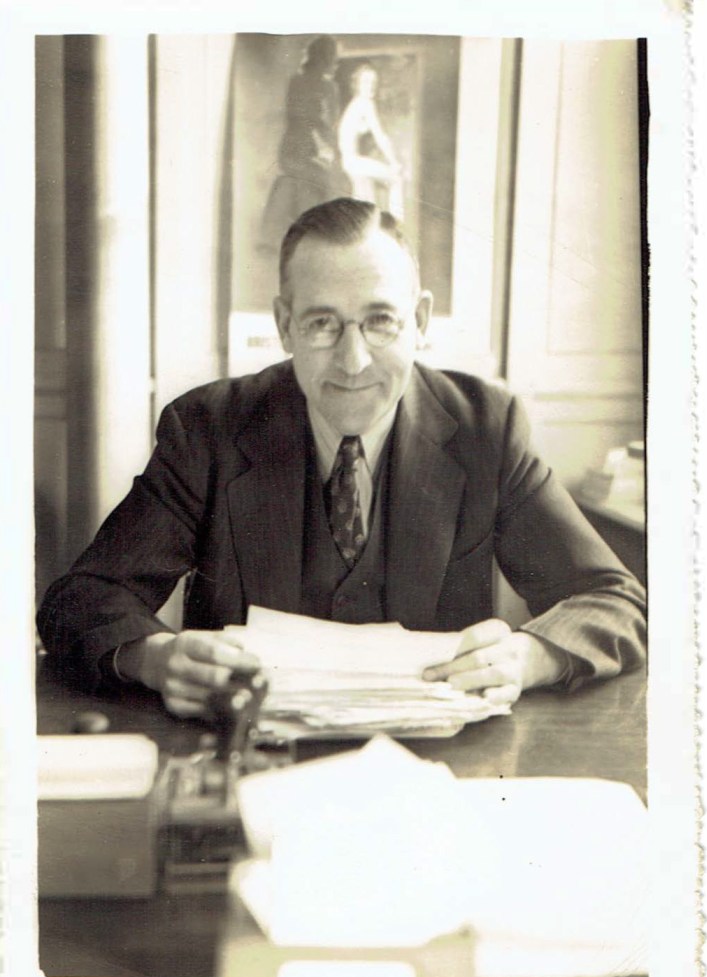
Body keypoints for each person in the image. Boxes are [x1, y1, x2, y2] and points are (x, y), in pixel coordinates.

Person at [38, 198, 646, 721]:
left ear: (421, 321)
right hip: (247, 753)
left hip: (436, 772)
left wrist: (531, 655)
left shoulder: (487, 427)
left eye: (380, 321)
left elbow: (615, 600)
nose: (353, 361)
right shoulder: (208, 429)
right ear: (284, 325)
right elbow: (81, 601)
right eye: (323, 324)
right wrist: (154, 658)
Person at [261, 35, 352, 250]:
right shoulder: (326, 87)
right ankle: (315, 240)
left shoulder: (297, 81)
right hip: (307, 150)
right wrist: (325, 149)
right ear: (326, 58)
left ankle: (300, 237)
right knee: (326, 186)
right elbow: (319, 122)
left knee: (310, 186)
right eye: (333, 58)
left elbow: (311, 120)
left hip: (293, 150)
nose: (335, 64)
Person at [338, 63, 404, 218]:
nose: (371, 86)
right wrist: (394, 162)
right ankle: (396, 223)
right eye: (366, 82)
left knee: (366, 209)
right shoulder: (364, 103)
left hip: (349, 163)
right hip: (353, 161)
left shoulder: (355, 105)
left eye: (374, 82)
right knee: (396, 178)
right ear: (357, 85)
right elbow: (380, 136)